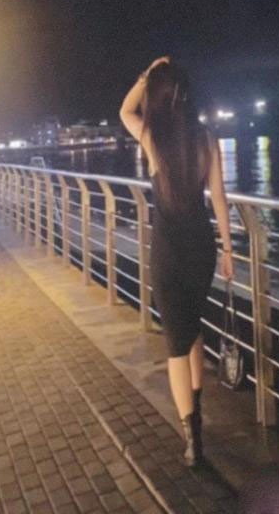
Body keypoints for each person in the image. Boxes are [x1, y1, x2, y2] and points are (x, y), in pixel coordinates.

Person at [119, 56, 234, 466]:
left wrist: (144, 75)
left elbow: (125, 111)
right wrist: (228, 250)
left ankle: (192, 438)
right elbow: (219, 198)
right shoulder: (206, 139)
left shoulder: (153, 138)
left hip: (168, 252)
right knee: (192, 326)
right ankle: (196, 408)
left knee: (175, 342)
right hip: (201, 249)